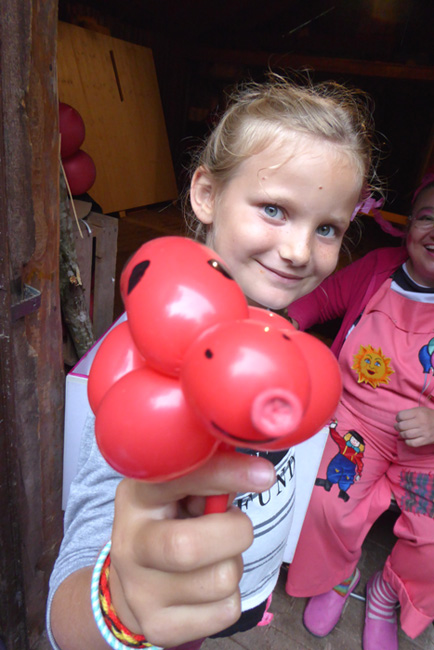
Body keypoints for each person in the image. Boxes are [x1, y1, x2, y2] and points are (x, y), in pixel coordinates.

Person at [47, 74, 378, 650]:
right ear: (205, 193)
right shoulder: (153, 358)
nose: (300, 251)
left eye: (327, 228)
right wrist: (121, 608)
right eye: (274, 209)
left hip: (233, 598)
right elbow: (67, 603)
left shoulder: (282, 332)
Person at [285, 174, 434, 649]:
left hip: (428, 447)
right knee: (327, 500)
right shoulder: (377, 270)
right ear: (408, 227)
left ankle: (385, 593)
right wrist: (281, 325)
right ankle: (336, 576)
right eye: (428, 218)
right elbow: (323, 299)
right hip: (356, 422)